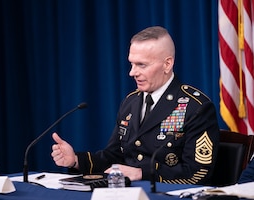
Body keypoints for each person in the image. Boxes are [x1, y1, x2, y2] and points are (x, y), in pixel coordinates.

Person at [51, 26, 220, 184]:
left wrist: (142, 173)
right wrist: (76, 160)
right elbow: (112, 157)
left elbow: (198, 173)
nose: (132, 72)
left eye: (142, 65)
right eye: (132, 63)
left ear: (167, 64)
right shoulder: (131, 102)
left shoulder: (196, 107)